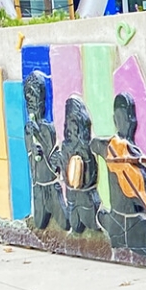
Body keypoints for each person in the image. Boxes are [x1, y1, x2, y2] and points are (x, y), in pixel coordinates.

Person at [96, 95, 146, 264]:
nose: (128, 122)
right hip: (117, 219)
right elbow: (93, 144)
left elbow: (143, 193)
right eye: (122, 117)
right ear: (115, 119)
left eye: (129, 117)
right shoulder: (109, 146)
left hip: (132, 221)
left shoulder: (132, 154)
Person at [22, 72, 69, 233]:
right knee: (39, 222)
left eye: (36, 102)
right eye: (30, 103)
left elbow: (51, 155)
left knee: (65, 222)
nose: (33, 107)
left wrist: (39, 139)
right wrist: (31, 147)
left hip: (51, 186)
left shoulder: (47, 129)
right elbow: (31, 156)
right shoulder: (28, 129)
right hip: (38, 188)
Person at [58, 97, 102, 236]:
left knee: (93, 226)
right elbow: (65, 175)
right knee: (75, 226)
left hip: (86, 199)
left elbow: (90, 178)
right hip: (71, 198)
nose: (70, 129)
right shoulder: (66, 147)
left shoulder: (86, 149)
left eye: (74, 124)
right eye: (67, 124)